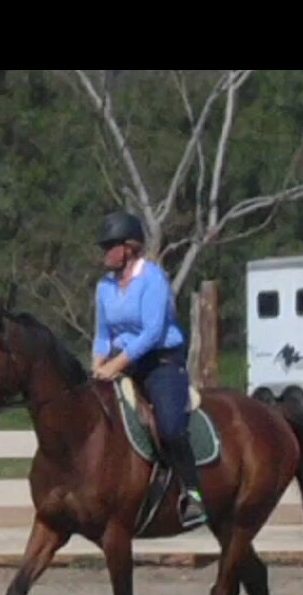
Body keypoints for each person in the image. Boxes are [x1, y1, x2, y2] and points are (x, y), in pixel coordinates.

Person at [92, 210, 206, 528]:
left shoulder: (153, 278)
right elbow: (103, 335)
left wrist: (116, 364)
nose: (105, 253)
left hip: (161, 362)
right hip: (122, 363)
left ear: (129, 248)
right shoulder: (105, 287)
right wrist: (97, 367)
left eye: (110, 246)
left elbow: (152, 332)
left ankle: (193, 494)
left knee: (169, 426)